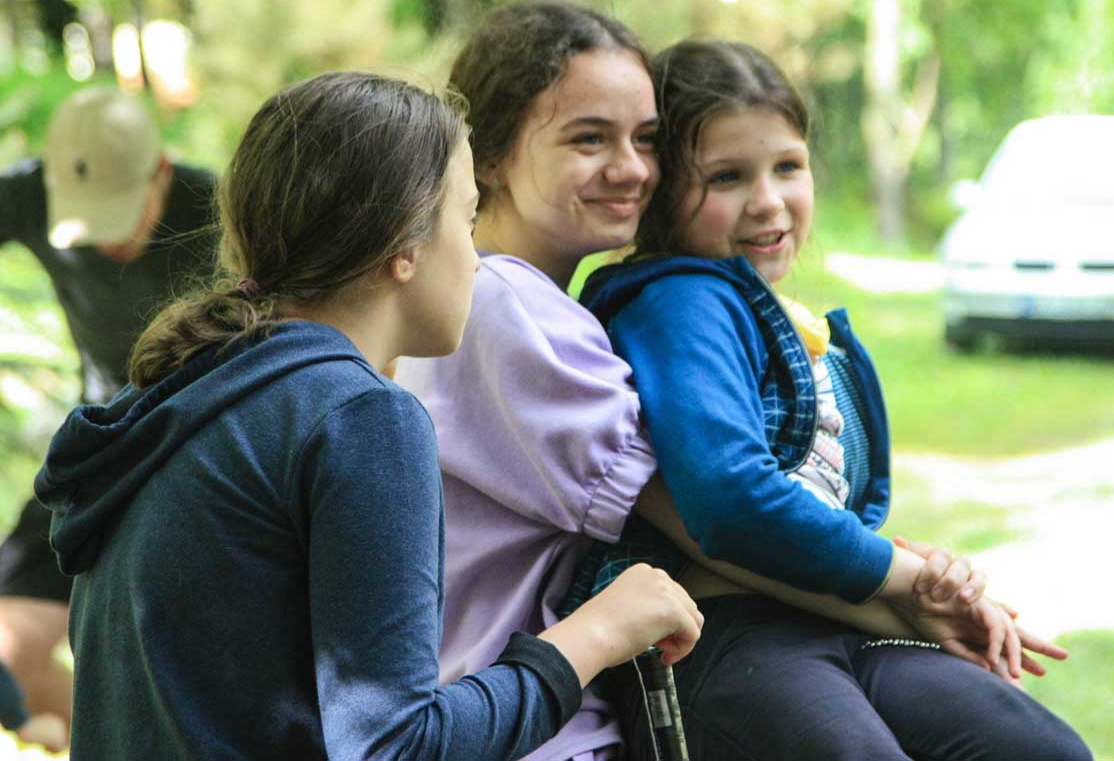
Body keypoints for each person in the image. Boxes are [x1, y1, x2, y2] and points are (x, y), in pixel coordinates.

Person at [390, 1, 1027, 761]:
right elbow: (721, 519)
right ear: (490, 155)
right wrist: (913, 589)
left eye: (645, 139)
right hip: (523, 719)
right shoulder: (512, 309)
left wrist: (900, 592)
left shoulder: (516, 302)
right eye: (589, 138)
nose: (632, 168)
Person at [33, 71, 702, 759]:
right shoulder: (358, 418)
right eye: (468, 222)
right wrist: (598, 632)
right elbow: (397, 746)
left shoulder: (190, 397)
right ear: (402, 246)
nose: (478, 262)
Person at [576, 38, 1091, 760]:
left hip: (835, 622)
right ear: (662, 193)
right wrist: (904, 575)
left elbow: (816, 512)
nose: (768, 201)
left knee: (1038, 748)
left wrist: (919, 589)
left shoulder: (780, 320)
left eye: (788, 166)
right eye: (727, 177)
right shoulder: (680, 302)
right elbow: (729, 498)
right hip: (717, 638)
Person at [0, 85, 217, 734]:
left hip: (200, 455)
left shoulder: (217, 212)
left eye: (120, 214)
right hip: (94, 447)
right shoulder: (28, 196)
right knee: (7, 655)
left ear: (161, 171)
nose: (106, 241)